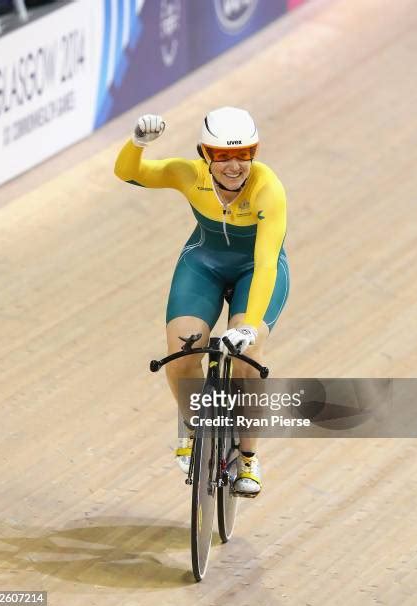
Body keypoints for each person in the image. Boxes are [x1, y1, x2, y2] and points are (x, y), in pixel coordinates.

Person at [114, 107, 289, 496]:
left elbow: (264, 264)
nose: (233, 165)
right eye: (223, 155)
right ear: (204, 153)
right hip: (203, 264)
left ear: (254, 152)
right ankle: (192, 426)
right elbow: (129, 172)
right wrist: (137, 144)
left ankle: (248, 457)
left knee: (250, 358)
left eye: (243, 153)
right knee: (179, 352)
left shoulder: (267, 187)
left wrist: (246, 327)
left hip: (254, 272)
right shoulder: (189, 174)